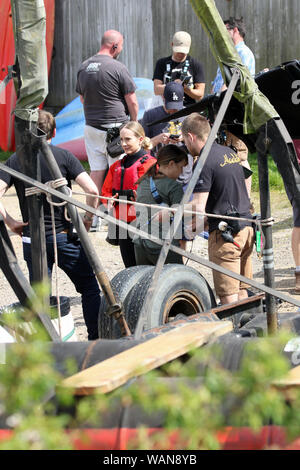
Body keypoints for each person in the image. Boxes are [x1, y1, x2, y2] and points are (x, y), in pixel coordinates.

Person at [0, 110, 101, 340]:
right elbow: (93, 190)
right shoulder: (64, 156)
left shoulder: (15, 160)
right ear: (54, 132)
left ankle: (44, 347)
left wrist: (11, 221)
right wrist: (87, 220)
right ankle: (95, 339)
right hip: (63, 236)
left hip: (32, 240)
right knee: (89, 287)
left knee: (39, 299)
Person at [181, 113, 254, 305]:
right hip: (247, 229)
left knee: (228, 295)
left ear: (191, 136)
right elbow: (226, 193)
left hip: (227, 236)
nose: (185, 146)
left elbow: (198, 206)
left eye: (184, 141)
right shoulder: (228, 153)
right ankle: (247, 331)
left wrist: (172, 212)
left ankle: (234, 331)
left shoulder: (203, 161)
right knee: (241, 289)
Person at [76, 29, 139, 230]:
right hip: (115, 132)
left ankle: (92, 218)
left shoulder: (84, 67)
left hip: (91, 128)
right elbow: (133, 101)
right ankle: (122, 221)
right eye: (120, 46)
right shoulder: (118, 67)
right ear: (114, 46)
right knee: (121, 172)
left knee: (96, 172)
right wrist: (133, 125)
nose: (121, 49)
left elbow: (82, 99)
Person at [101, 122, 156, 268]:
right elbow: (106, 191)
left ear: (140, 139)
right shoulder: (116, 166)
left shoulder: (150, 164)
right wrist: (108, 201)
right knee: (130, 267)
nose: (123, 144)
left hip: (144, 223)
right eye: (121, 140)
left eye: (128, 139)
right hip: (122, 223)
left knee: (146, 267)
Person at [211, 17, 255, 197]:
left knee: (240, 154)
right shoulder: (229, 53)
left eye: (225, 30)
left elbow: (238, 83)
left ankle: (246, 199)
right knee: (227, 154)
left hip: (235, 110)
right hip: (223, 110)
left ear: (235, 30)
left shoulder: (242, 53)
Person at [134, 145, 188, 266]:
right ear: (171, 164)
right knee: (176, 281)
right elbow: (182, 215)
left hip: (139, 241)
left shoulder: (144, 181)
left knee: (145, 282)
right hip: (162, 244)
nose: (181, 172)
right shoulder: (174, 186)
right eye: (181, 167)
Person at [153, 31, 205, 107]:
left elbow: (200, 95)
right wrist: (173, 86)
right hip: (167, 108)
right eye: (178, 51)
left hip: (188, 108)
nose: (180, 54)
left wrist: (186, 89)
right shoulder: (161, 63)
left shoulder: (196, 65)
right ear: (172, 45)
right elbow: (156, 90)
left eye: (183, 51)